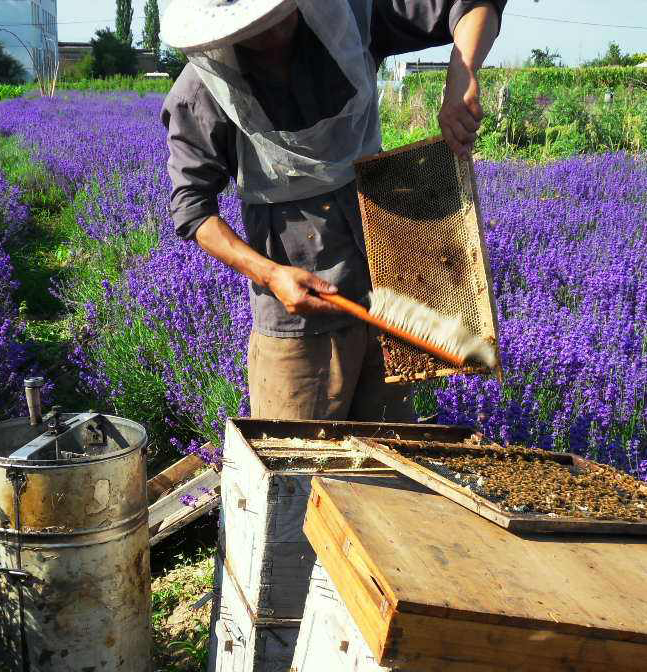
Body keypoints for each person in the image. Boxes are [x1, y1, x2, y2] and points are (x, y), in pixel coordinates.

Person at [160, 0, 505, 422]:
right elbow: (193, 210)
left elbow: (467, 5)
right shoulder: (200, 89)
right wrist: (270, 274)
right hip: (298, 313)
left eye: (276, 17)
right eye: (253, 29)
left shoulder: (349, 17)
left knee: (391, 458)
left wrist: (462, 72)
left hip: (388, 290)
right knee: (297, 463)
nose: (270, 35)